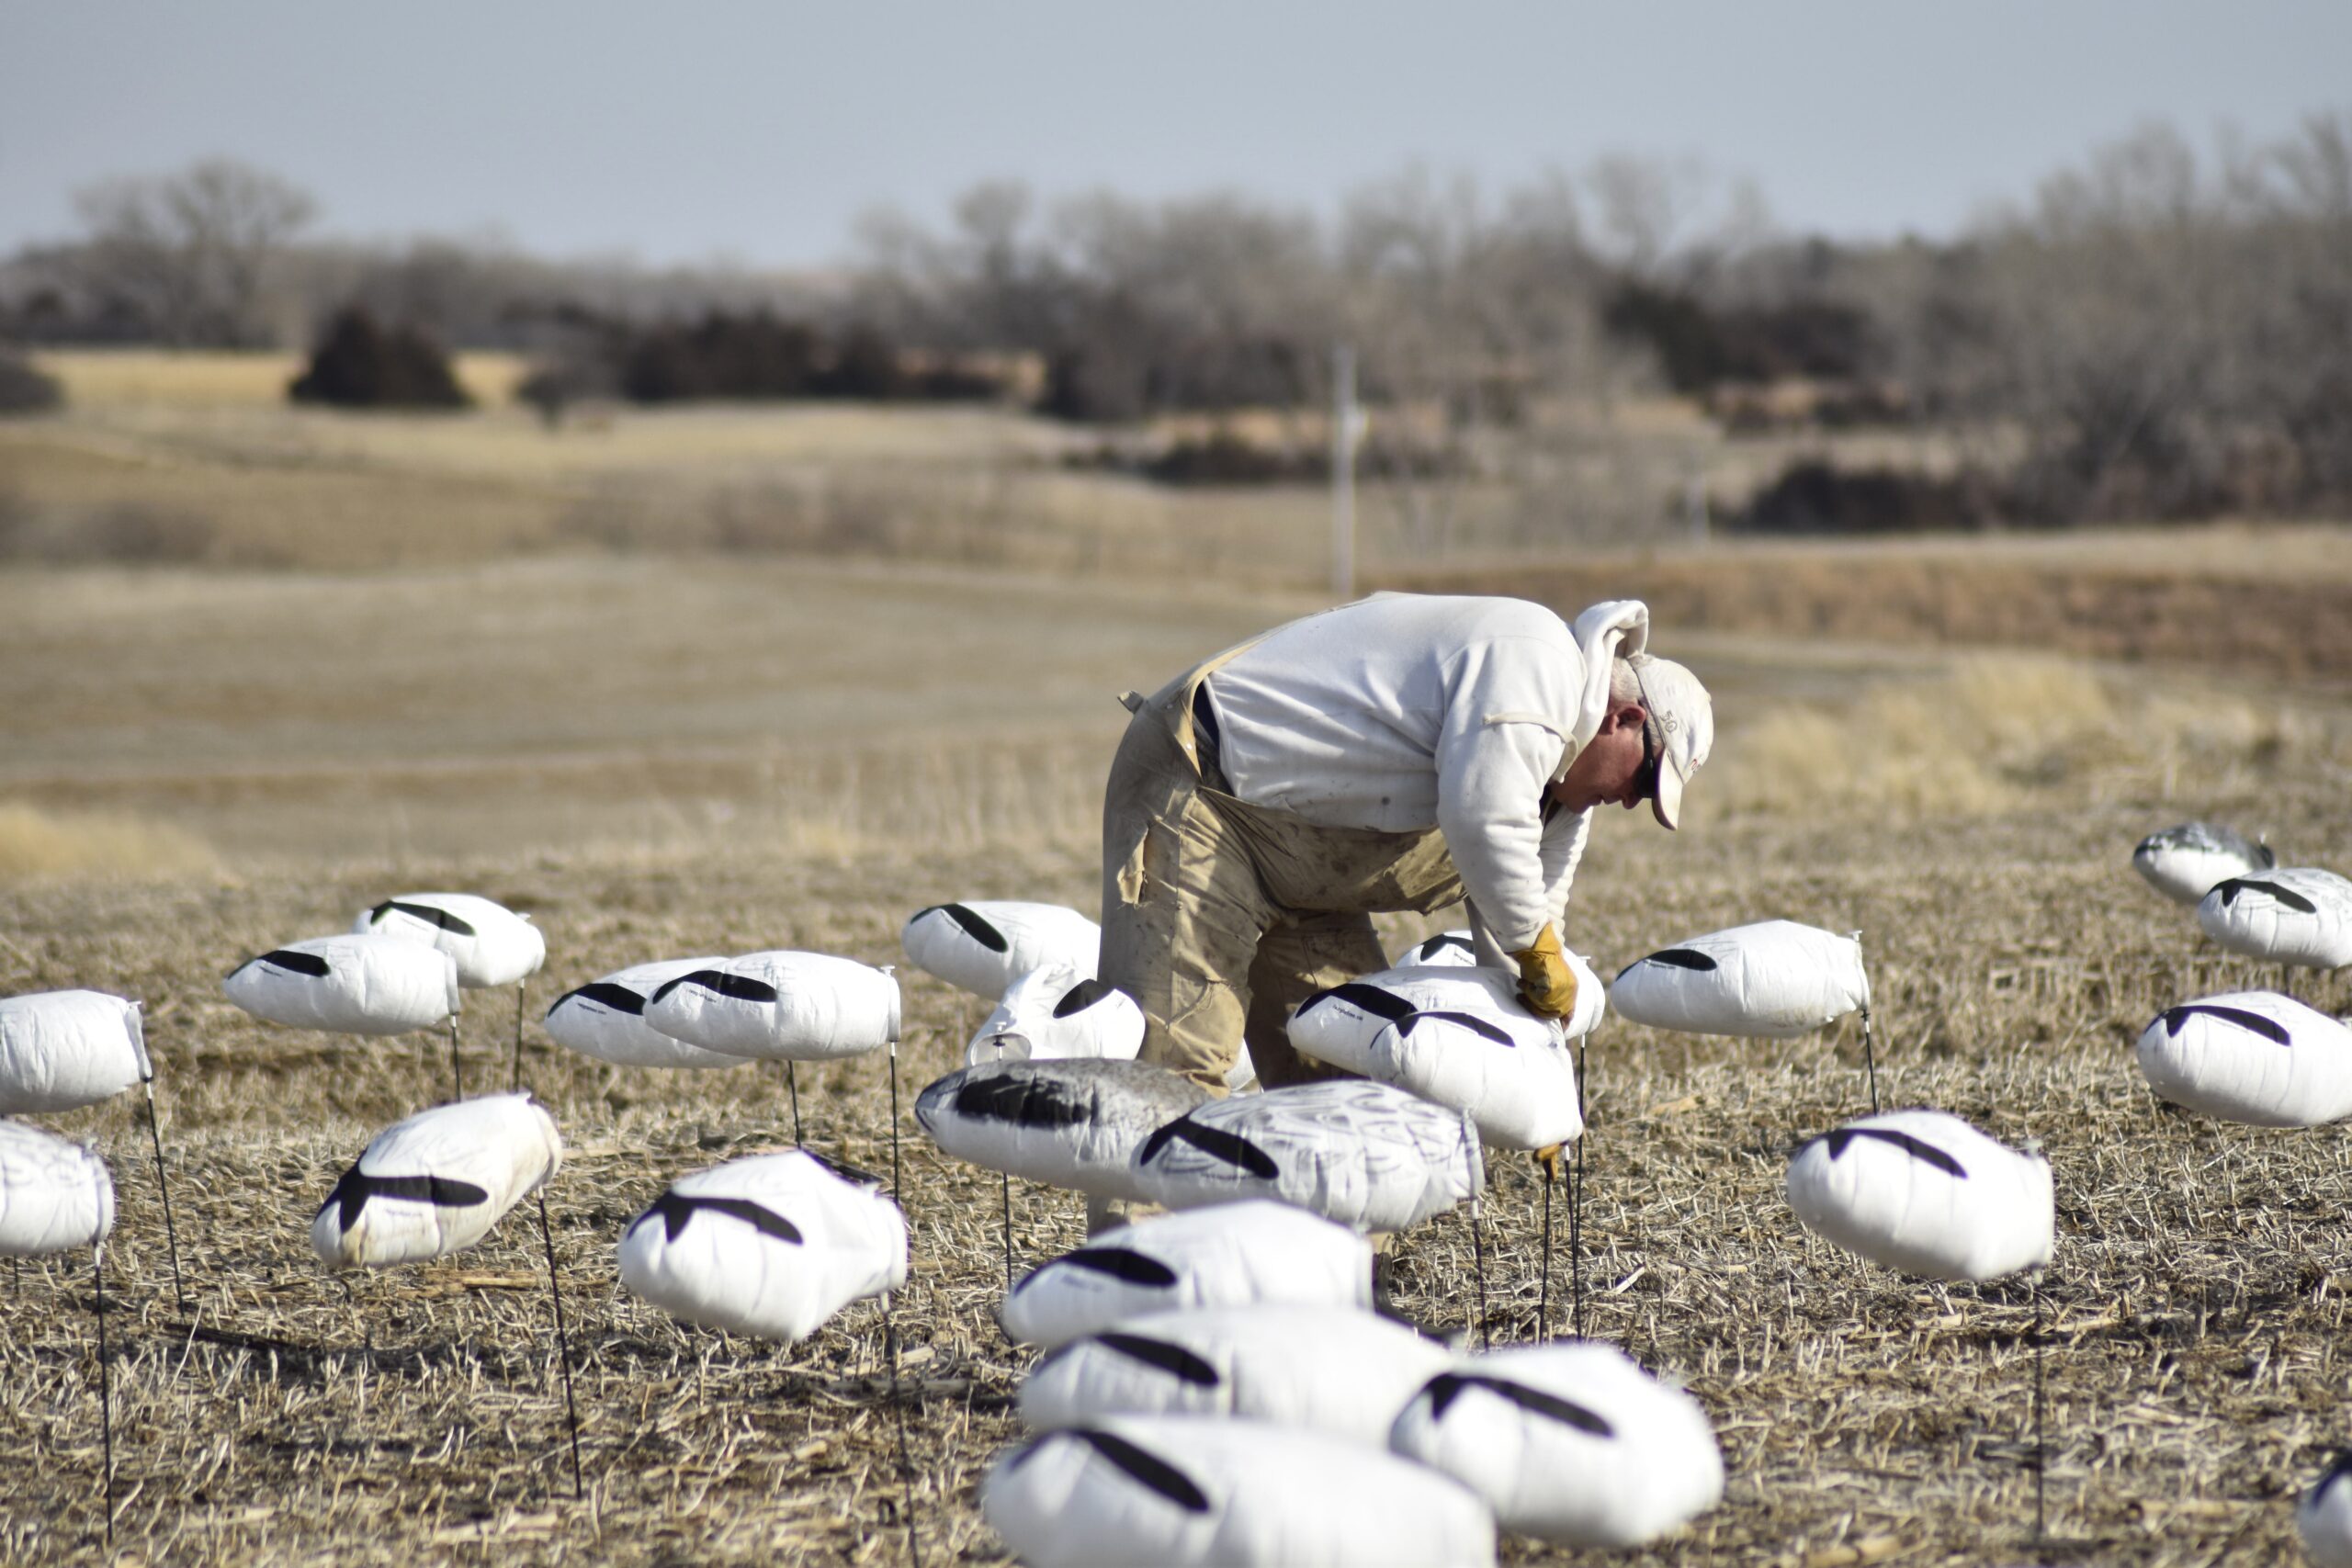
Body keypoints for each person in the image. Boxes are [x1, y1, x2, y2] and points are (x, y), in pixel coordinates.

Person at [1101, 592, 1712, 1101]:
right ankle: (1143, 1248)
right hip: (1203, 789)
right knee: (1173, 1087)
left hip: (1306, 863)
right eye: (1641, 781)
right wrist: (1538, 949)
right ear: (1624, 719)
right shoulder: (1539, 664)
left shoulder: (1561, 787)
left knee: (1355, 1094)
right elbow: (1485, 823)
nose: (1630, 801)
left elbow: (1525, 928)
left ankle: (1357, 1252)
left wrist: (1540, 1082)